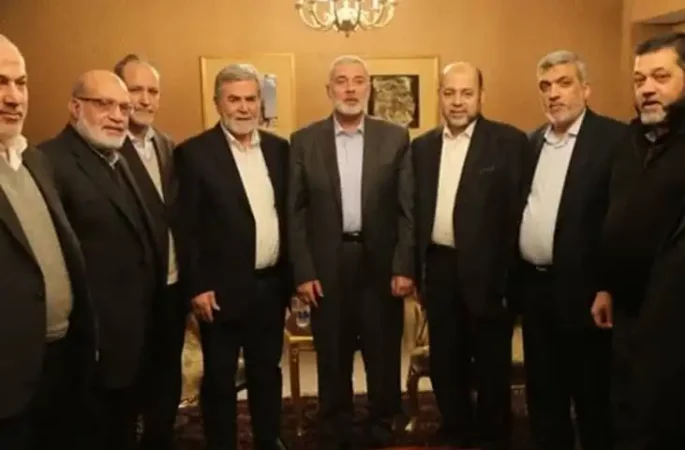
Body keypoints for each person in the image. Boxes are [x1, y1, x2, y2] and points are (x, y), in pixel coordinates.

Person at [288, 55, 414, 450]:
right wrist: (303, 270)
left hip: (381, 263)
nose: (350, 88)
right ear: (329, 89)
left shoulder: (395, 137)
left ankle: (383, 424)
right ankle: (335, 427)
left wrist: (404, 265)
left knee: (382, 351)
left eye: (358, 80)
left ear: (369, 88)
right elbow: (295, 212)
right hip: (328, 263)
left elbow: (407, 208)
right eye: (341, 81)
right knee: (332, 353)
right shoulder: (304, 141)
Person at [39, 69, 162, 450]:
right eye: (104, 104)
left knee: (122, 430)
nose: (117, 116)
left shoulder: (115, 158)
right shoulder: (49, 162)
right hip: (91, 343)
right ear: (76, 107)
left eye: (124, 108)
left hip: (131, 335)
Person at [512, 50, 626, 450]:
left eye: (564, 83)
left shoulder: (614, 140)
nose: (553, 94)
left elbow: (621, 220)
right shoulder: (530, 143)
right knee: (544, 396)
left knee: (593, 397)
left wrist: (607, 286)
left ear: (586, 89)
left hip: (587, 293)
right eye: (545, 86)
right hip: (535, 289)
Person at [174, 63, 290, 450]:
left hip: (270, 285)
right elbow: (186, 226)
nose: (243, 108)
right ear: (218, 103)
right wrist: (197, 286)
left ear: (260, 103)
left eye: (251, 99)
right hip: (219, 292)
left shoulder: (278, 149)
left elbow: (287, 214)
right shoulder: (193, 153)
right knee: (220, 379)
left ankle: (268, 439)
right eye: (234, 99)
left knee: (267, 372)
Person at [412, 61, 527, 450]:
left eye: (466, 93)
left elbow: (517, 211)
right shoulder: (422, 147)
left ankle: (492, 434)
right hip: (439, 266)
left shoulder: (509, 142)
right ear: (440, 96)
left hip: (490, 269)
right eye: (449, 93)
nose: (457, 102)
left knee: (491, 359)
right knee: (446, 358)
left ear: (481, 95)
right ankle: (455, 428)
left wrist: (510, 277)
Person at [0, 34, 96, 450]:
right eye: (0, 82)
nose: (13, 97)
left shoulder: (35, 160)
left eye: (21, 83)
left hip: (61, 359)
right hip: (8, 379)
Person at [591, 32, 685, 450]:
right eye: (639, 79)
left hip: (673, 316)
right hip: (627, 309)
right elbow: (619, 218)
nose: (647, 88)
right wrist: (606, 286)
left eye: (661, 77)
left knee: (662, 417)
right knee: (626, 410)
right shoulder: (630, 141)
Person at [114, 53, 185, 450]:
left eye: (152, 91)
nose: (145, 99)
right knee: (128, 389)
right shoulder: (105, 148)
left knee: (166, 381)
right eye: (135, 90)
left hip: (170, 289)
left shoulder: (169, 147)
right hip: (128, 295)